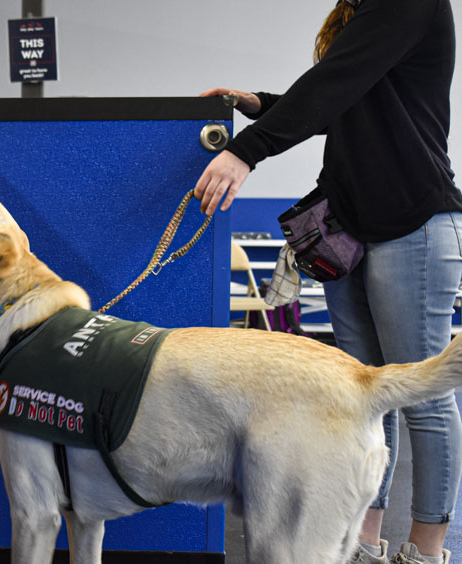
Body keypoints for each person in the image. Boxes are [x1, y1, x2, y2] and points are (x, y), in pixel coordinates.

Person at [194, 0, 462, 562]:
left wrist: (249, 149)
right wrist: (263, 106)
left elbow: (337, 82)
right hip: (351, 227)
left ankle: (426, 551)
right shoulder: (361, 11)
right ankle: (362, 542)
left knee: (424, 399)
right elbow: (344, 98)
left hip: (412, 221)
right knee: (363, 397)